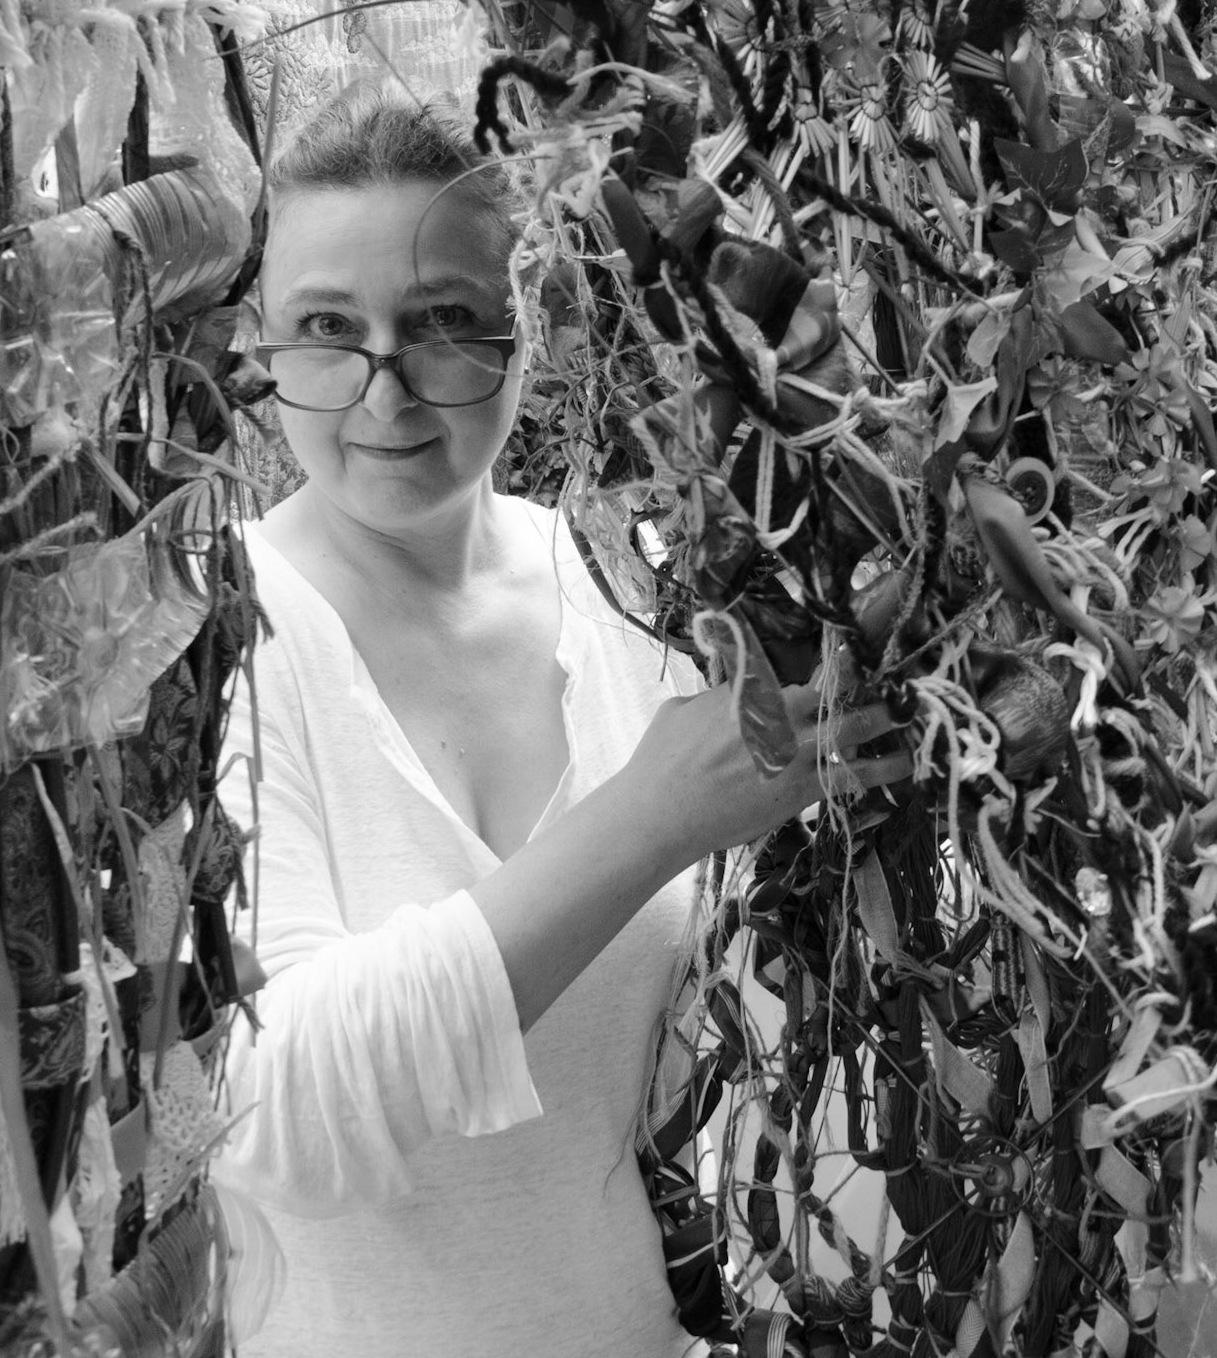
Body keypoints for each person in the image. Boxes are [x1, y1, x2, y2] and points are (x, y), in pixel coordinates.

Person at [213, 85, 909, 1358]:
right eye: (328, 327)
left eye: (442, 322)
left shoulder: (631, 594)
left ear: (525, 322)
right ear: (262, 344)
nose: (385, 395)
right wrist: (650, 817)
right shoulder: (221, 640)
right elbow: (269, 1112)